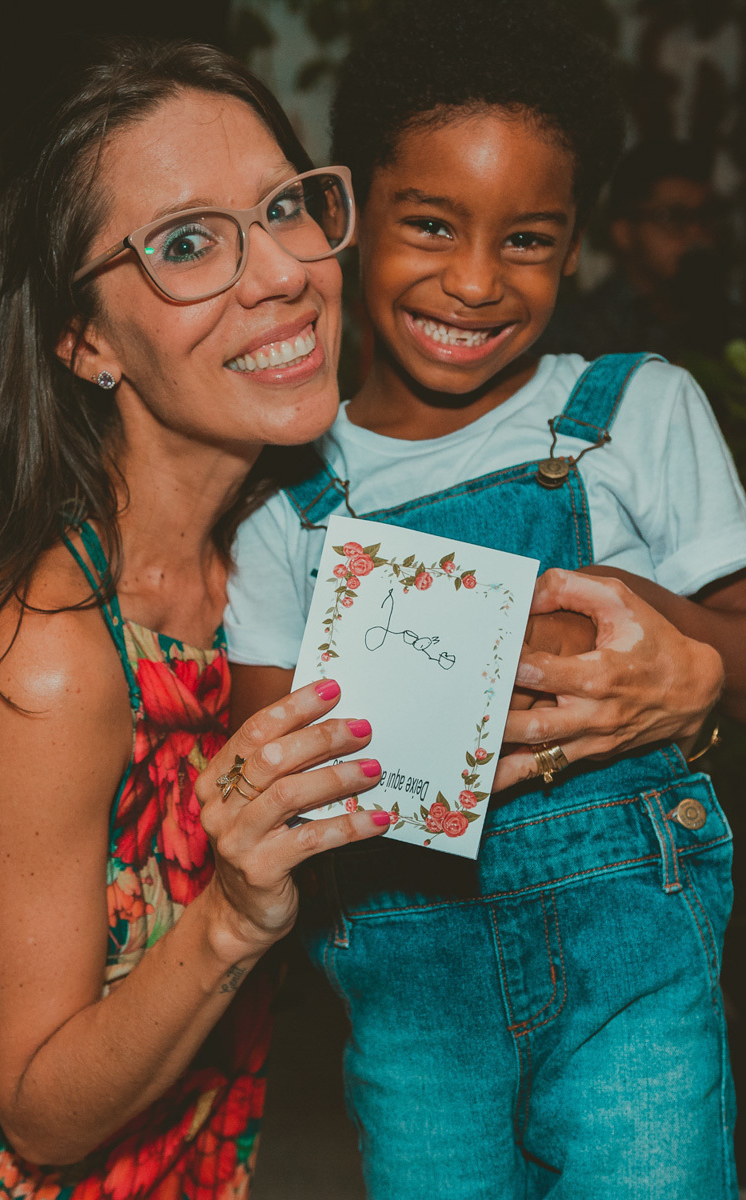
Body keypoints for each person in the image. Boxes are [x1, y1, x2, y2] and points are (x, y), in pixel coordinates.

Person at [224, 2, 746, 1195]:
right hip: (412, 1003)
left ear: (575, 248)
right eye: (428, 225)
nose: (470, 281)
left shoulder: (637, 410)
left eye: (525, 239)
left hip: (639, 981)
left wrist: (667, 635)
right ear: (345, 214)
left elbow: (733, 637)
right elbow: (264, 758)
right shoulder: (288, 497)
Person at [0, 39, 395, 1200]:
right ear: (83, 340)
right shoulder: (48, 653)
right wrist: (236, 916)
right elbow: (38, 1113)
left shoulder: (289, 557)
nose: (283, 273)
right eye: (189, 242)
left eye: (286, 207)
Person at [540, 138, 740, 363]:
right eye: (672, 217)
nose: (697, 233)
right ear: (624, 232)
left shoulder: (729, 321)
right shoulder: (574, 333)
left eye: (705, 216)